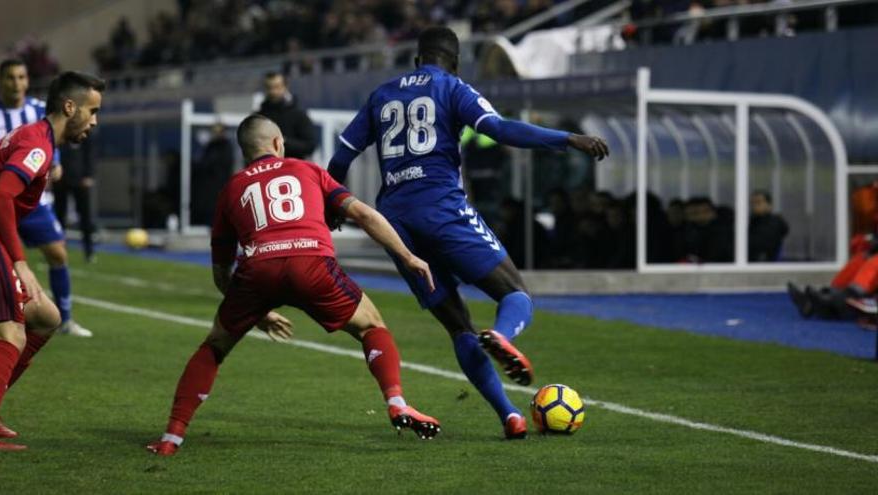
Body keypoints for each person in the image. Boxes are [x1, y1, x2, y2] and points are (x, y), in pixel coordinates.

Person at [328, 26, 609, 439]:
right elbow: (499, 129)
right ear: (456, 62)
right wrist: (566, 138)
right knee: (515, 293)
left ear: (416, 59)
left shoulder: (382, 93)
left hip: (396, 223)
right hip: (442, 208)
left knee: (458, 326)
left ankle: (510, 415)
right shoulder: (452, 87)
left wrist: (333, 206)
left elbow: (340, 158)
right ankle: (501, 333)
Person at [146, 115, 441, 456]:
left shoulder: (232, 189)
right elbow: (364, 215)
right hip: (311, 265)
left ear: (244, 152)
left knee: (214, 346)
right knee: (372, 326)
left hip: (258, 271)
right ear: (277, 143)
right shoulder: (308, 170)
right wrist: (408, 256)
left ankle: (172, 437)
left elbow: (221, 272)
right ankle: (396, 401)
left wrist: (257, 314)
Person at [0, 71, 104, 451]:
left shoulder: (36, 138)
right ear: (70, 107)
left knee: (47, 317)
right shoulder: (38, 146)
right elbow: (2, 195)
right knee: (13, 330)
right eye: (91, 111)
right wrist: (21, 262)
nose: (94, 121)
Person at [0, 59, 92, 337]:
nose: (17, 83)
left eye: (21, 77)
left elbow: (54, 136)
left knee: (58, 253)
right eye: (11, 78)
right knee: (13, 330)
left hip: (34, 201)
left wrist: (57, 160)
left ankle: (64, 319)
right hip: (6, 194)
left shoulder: (40, 109)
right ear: (2, 82)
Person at [53, 138, 96, 262]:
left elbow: (91, 153)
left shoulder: (85, 130)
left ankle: (89, 251)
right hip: (61, 179)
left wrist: (89, 175)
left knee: (85, 216)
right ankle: (58, 250)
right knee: (59, 217)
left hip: (80, 180)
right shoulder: (62, 131)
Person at [258, 71, 316, 159]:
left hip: (293, 169)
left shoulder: (298, 114)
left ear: (285, 86)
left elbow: (310, 145)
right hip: (268, 170)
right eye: (269, 87)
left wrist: (284, 142)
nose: (273, 91)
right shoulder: (259, 116)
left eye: (277, 87)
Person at [748, 190, 789, 262]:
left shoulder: (776, 222)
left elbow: (761, 244)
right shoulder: (750, 222)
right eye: (752, 203)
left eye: (758, 202)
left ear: (769, 205)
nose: (754, 206)